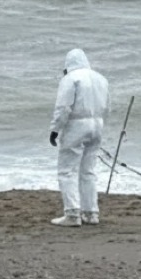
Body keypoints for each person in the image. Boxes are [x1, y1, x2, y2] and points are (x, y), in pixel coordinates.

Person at [48, 48, 110, 227]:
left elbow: (64, 107)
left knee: (67, 170)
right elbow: (107, 107)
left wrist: (55, 129)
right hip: (97, 125)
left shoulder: (70, 79)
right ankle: (91, 213)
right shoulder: (101, 79)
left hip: (77, 125)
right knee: (88, 170)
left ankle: (72, 213)